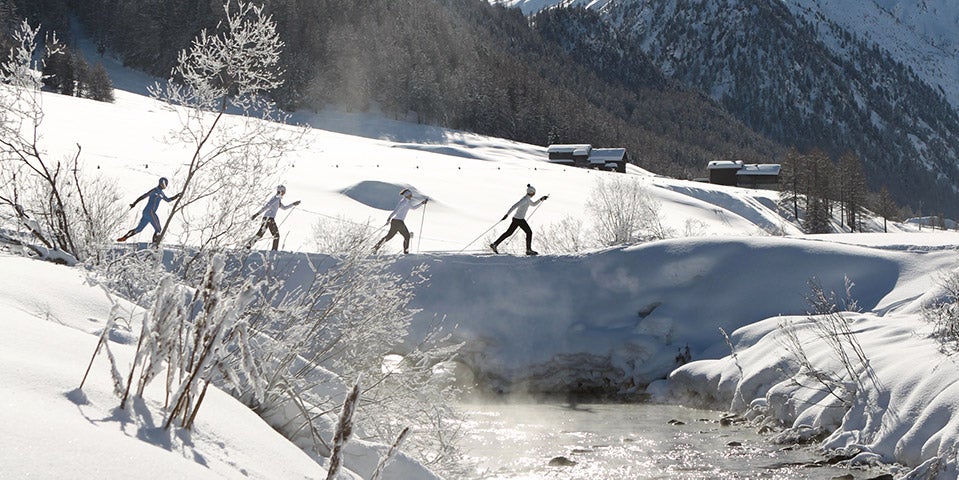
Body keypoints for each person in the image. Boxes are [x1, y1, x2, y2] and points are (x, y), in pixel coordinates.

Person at [117, 177, 179, 244]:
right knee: (158, 229)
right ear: (162, 183)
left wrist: (177, 196)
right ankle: (155, 244)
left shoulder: (162, 193)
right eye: (165, 184)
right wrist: (134, 203)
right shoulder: (155, 190)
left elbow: (168, 200)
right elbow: (143, 196)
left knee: (139, 229)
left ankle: (124, 238)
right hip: (150, 212)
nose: (166, 186)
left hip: (147, 213)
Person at [490, 184, 548, 255]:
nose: (534, 194)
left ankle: (495, 244)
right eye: (534, 193)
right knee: (529, 232)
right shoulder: (524, 200)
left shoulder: (527, 199)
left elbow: (533, 204)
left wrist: (541, 199)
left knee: (509, 233)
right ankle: (528, 250)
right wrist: (507, 214)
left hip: (516, 219)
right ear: (532, 193)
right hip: (519, 220)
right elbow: (514, 206)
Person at [373, 188, 428, 254]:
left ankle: (376, 247)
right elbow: (396, 210)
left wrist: (422, 203)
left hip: (397, 222)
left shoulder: (407, 202)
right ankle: (406, 252)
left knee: (389, 236)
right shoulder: (403, 202)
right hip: (398, 222)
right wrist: (389, 218)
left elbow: (413, 208)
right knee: (407, 236)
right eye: (410, 195)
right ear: (407, 195)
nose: (411, 196)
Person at [247, 184, 300, 250]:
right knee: (273, 235)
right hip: (268, 218)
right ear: (280, 191)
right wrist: (256, 214)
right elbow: (266, 207)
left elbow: (284, 208)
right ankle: (273, 251)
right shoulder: (275, 199)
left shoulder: (278, 199)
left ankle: (248, 246)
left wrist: (293, 204)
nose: (284, 193)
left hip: (269, 218)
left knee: (266, 234)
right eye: (283, 192)